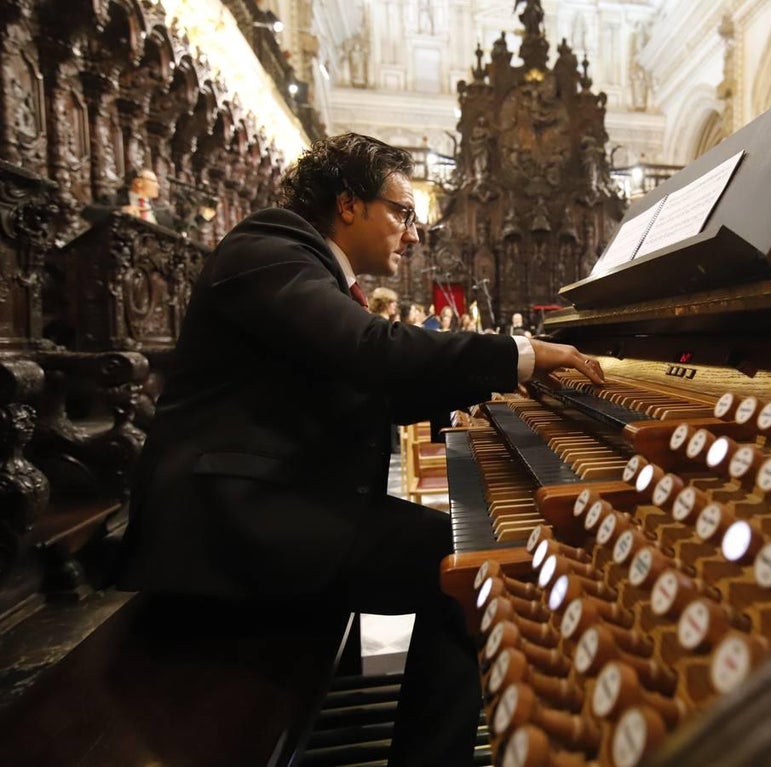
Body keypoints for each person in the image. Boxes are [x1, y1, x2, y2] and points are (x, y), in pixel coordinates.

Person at [115, 133, 604, 767]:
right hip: (230, 520)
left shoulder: (300, 264)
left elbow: (352, 393)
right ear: (349, 205)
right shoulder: (268, 249)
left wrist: (490, 407)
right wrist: (521, 356)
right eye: (403, 213)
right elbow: (370, 350)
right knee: (475, 568)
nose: (414, 234)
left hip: (267, 498)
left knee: (467, 551)